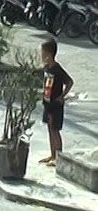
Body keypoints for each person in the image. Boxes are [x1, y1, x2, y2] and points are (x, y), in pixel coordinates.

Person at [39, 38, 74, 166]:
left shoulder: (57, 69)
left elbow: (69, 82)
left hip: (56, 104)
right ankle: (52, 154)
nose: (42, 56)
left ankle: (59, 157)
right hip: (47, 103)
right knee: (50, 129)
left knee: (55, 130)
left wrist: (62, 96)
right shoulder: (47, 68)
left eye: (43, 53)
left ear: (49, 55)